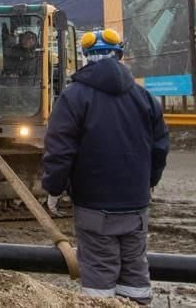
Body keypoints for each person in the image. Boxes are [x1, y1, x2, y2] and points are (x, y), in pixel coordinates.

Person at [42, 28, 170, 304]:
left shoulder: (73, 97)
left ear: (85, 57)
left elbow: (60, 150)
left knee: (99, 273)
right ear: (120, 55)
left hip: (94, 207)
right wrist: (149, 182)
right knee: (135, 271)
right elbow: (159, 148)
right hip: (136, 206)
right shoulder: (144, 97)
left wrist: (54, 189)